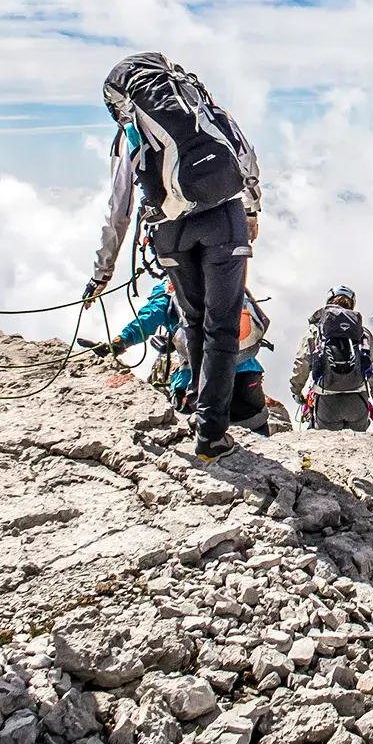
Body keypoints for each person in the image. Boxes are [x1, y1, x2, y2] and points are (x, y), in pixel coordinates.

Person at [85, 52, 261, 461]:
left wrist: (103, 272)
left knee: (192, 321)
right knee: (221, 328)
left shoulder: (131, 130)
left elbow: (119, 207)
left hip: (171, 230)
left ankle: (199, 421)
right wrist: (251, 211)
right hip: (224, 221)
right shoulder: (203, 107)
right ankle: (212, 433)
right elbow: (246, 157)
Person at [90, 280, 270, 433]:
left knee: (204, 441)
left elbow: (148, 318)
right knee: (256, 426)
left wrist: (119, 343)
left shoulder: (172, 284)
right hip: (246, 373)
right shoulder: (225, 272)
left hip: (197, 380)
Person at [290, 285, 373, 431]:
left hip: (326, 401)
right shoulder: (362, 333)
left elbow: (301, 363)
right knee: (357, 446)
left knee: (326, 447)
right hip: (358, 400)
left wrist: (296, 391)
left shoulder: (315, 331)